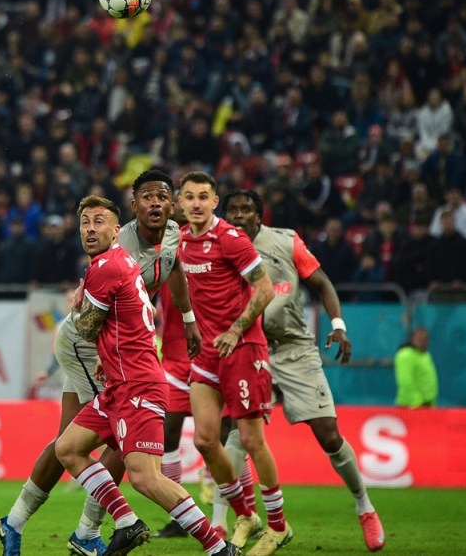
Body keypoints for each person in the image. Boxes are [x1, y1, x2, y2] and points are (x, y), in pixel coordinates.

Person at [0, 169, 202, 556]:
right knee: (122, 436)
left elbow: (173, 270)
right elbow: (91, 303)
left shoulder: (173, 233)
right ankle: (88, 530)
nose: (155, 204)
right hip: (89, 344)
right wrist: (104, 347)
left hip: (110, 345)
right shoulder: (120, 241)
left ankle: (14, 522)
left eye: (162, 197)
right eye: (147, 198)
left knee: (67, 442)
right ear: (133, 206)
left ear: (171, 205)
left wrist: (187, 318)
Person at [53, 195, 234, 556]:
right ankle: (126, 521)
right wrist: (109, 354)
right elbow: (131, 319)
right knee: (68, 448)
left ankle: (218, 548)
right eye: (85, 222)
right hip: (119, 383)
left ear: (116, 230)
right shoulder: (120, 262)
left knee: (146, 477)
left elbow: (86, 329)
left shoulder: (105, 267)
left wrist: (81, 302)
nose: (90, 229)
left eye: (99, 221)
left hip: (138, 385)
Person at [223, 188, 385, 552]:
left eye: (246, 209)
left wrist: (339, 326)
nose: (238, 215)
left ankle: (364, 506)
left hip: (294, 349)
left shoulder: (285, 241)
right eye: (232, 209)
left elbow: (323, 283)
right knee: (236, 436)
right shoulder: (217, 247)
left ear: (259, 216)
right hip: (249, 350)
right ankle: (229, 523)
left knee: (329, 435)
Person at [177, 171, 290, 556]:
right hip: (207, 353)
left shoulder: (230, 238)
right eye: (189, 197)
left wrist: (235, 330)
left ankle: (278, 526)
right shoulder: (181, 240)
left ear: (214, 202)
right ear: (180, 203)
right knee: (205, 440)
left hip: (242, 348)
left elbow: (265, 289)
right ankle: (246, 514)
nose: (196, 203)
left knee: (252, 440)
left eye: (203, 197)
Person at [394, 327, 438, 408]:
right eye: (419, 338)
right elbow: (405, 381)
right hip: (412, 406)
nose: (423, 341)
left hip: (427, 405)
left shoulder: (426, 355)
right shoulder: (406, 355)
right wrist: (416, 402)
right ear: (412, 338)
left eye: (425, 338)